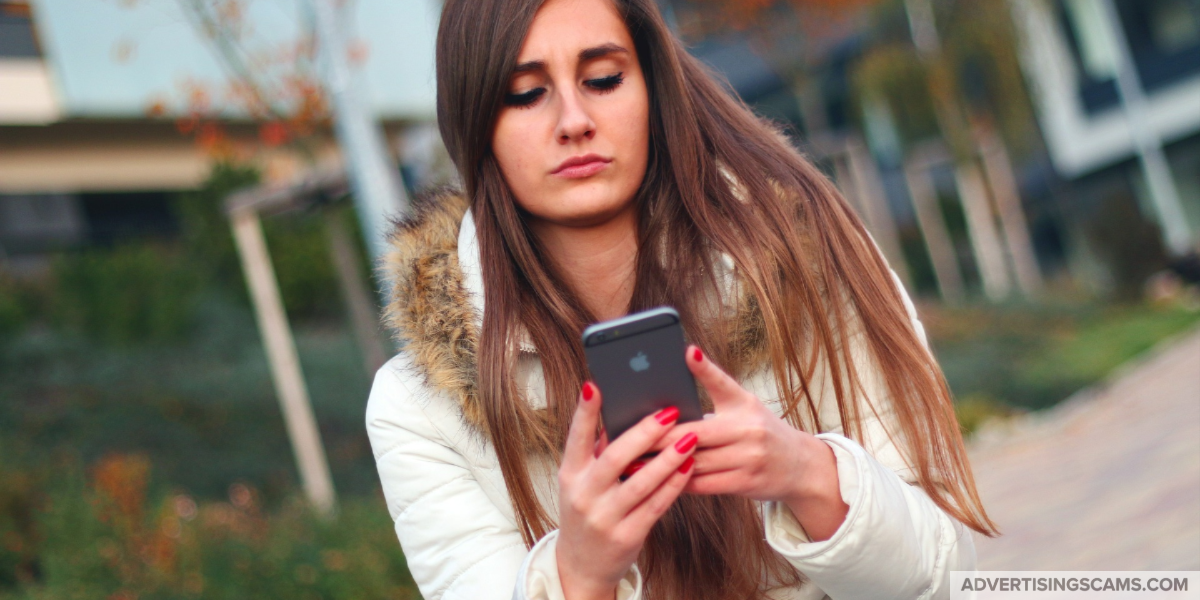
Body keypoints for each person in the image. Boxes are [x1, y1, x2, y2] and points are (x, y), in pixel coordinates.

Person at [366, 0, 999, 597]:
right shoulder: (418, 410)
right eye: (527, 93)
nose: (573, 121)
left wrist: (810, 476)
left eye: (604, 79)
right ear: (474, 123)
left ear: (652, 87)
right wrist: (578, 573)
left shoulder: (808, 261)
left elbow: (944, 579)